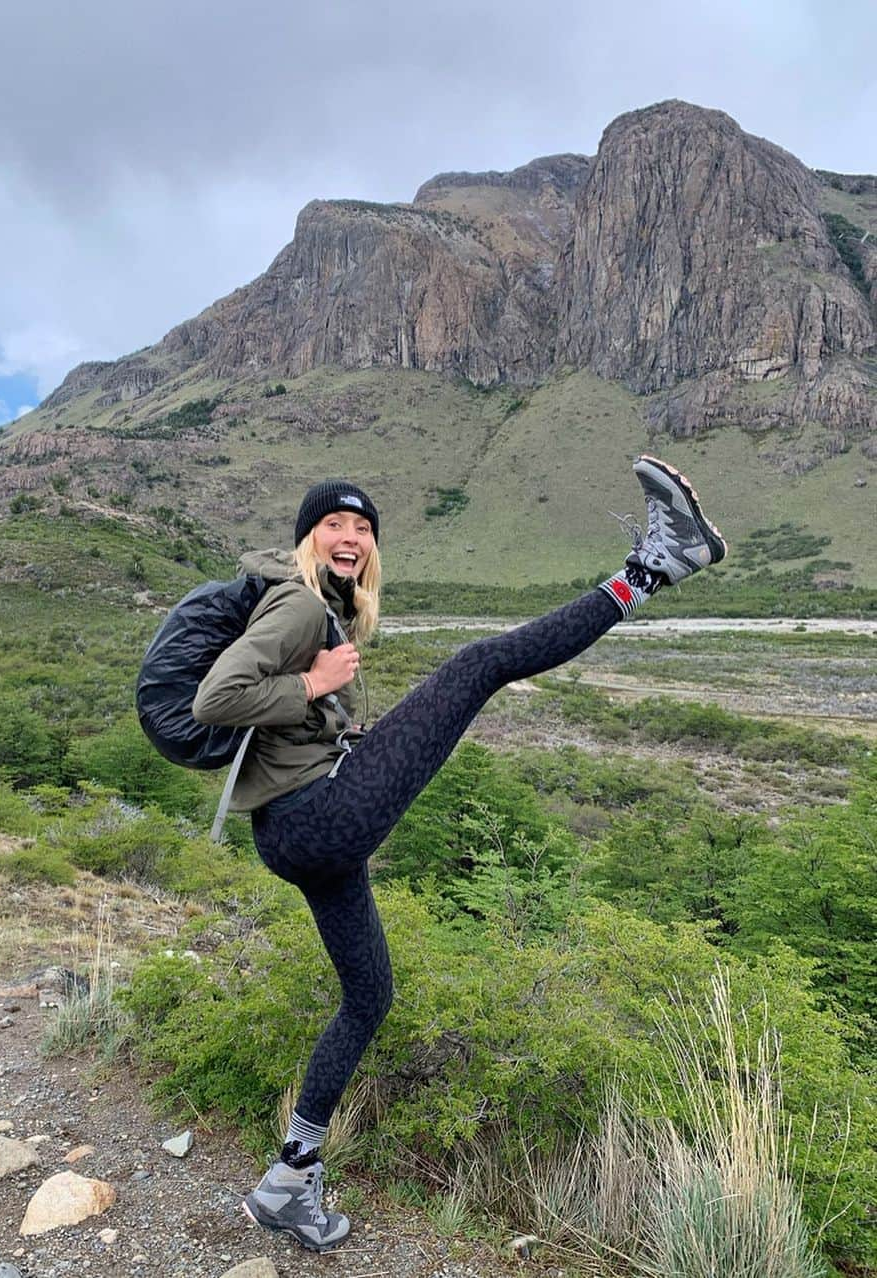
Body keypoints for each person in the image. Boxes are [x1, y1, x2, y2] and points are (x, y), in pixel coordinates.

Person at [191, 457, 727, 1253]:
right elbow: (217, 700)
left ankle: (288, 1184)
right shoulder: (299, 606)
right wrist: (316, 685)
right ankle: (655, 567)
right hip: (316, 822)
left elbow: (276, 731)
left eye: (363, 528)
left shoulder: (323, 613)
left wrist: (331, 718)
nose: (350, 538)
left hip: (301, 836)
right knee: (480, 663)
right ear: (307, 539)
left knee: (368, 997)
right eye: (333, 525)